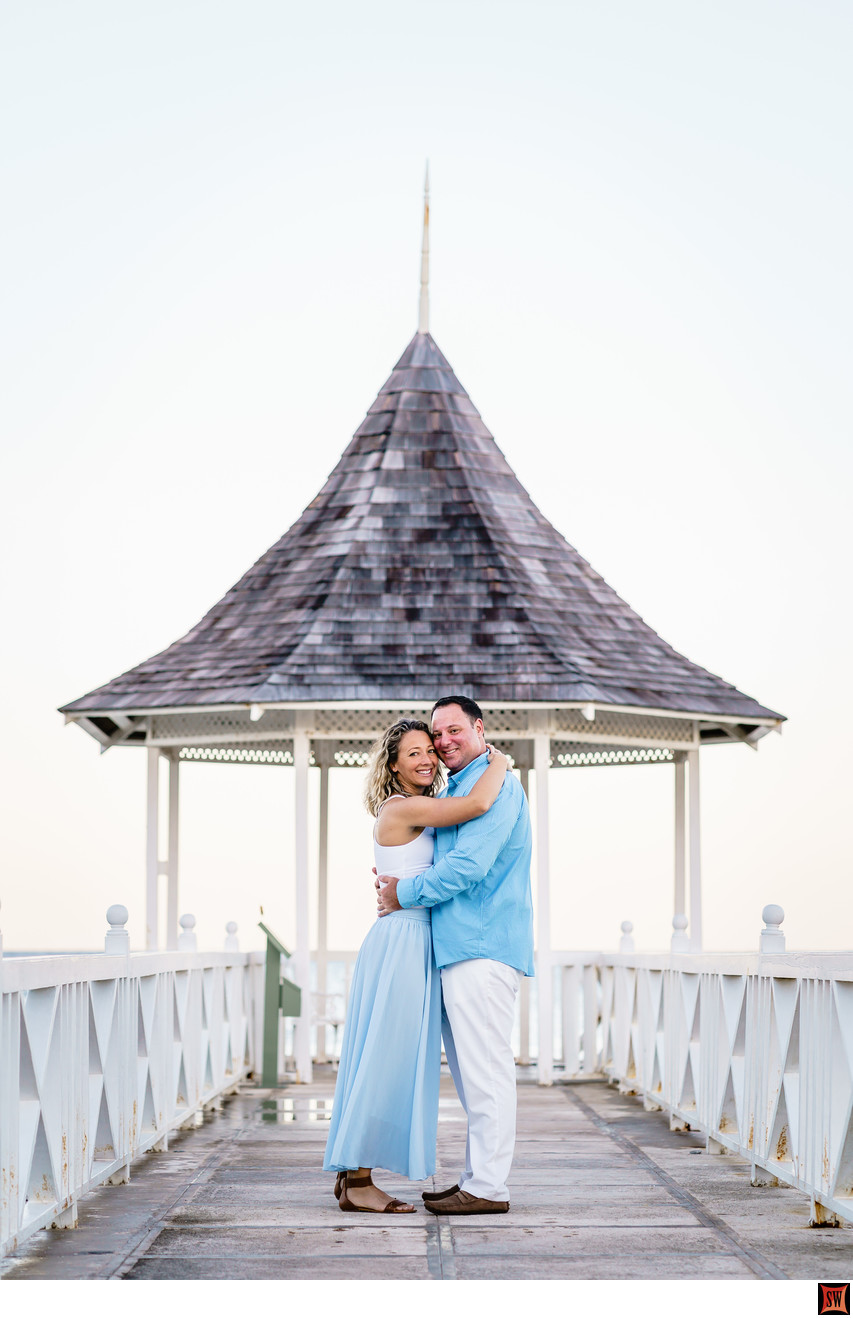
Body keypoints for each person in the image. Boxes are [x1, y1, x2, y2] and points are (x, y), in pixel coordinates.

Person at [323, 716, 509, 1213]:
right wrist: (502, 761)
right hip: (404, 940)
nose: (428, 758)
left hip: (414, 937)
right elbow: (477, 803)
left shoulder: (418, 812)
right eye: (414, 753)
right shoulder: (403, 808)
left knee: (390, 1058)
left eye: (431, 749)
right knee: (386, 1059)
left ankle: (353, 1175)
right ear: (393, 765)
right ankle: (358, 1181)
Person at [376, 696, 534, 1216]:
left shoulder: (498, 785)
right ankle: (477, 1178)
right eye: (436, 735)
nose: (442, 742)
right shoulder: (463, 787)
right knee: (474, 1078)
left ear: (478, 728)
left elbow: (467, 866)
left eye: (452, 731)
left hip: (482, 948)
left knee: (486, 1073)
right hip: (457, 950)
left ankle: (489, 1187)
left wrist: (403, 894)